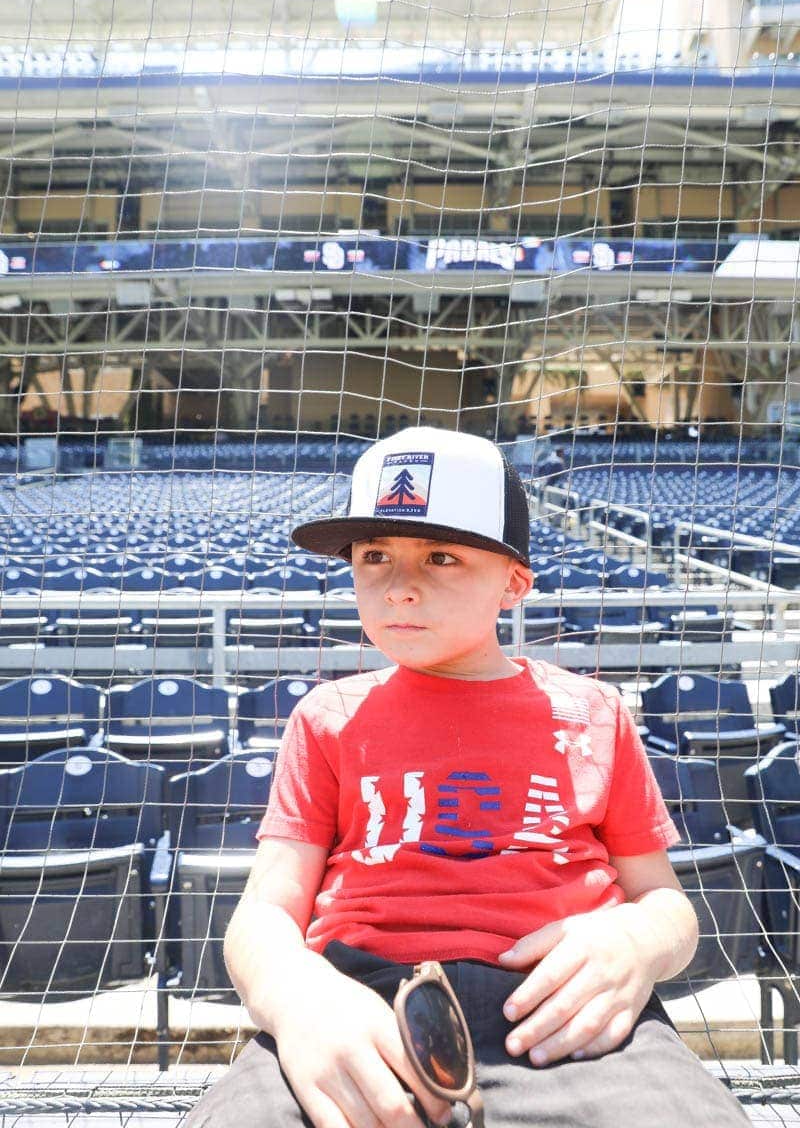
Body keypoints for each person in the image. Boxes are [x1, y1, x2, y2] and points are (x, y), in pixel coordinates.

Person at [184, 426, 748, 1128]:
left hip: (561, 1005)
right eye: (374, 555)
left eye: (441, 556)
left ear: (513, 582)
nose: (399, 587)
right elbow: (265, 913)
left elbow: (667, 904)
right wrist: (298, 998)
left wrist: (635, 943)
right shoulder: (326, 717)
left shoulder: (594, 713)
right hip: (357, 1000)